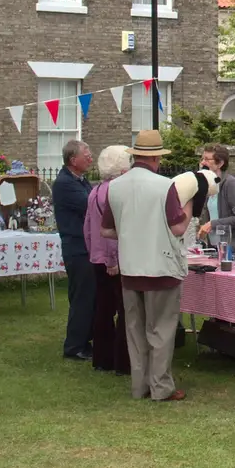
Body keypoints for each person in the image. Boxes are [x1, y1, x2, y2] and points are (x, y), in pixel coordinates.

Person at [105, 129, 193, 401]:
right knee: (161, 330)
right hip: (160, 266)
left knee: (135, 331)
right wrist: (189, 205)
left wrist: (133, 230)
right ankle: (161, 387)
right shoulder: (164, 186)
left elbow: (107, 230)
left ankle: (140, 385)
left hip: (130, 268)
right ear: (156, 158)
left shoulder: (115, 186)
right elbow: (178, 227)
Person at [87, 145, 133, 375]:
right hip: (112, 260)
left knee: (103, 309)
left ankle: (102, 358)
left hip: (97, 257)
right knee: (124, 310)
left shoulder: (95, 191)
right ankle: (122, 362)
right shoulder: (114, 191)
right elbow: (112, 230)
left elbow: (88, 228)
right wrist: (112, 260)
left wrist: (95, 255)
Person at [52, 139, 95, 361]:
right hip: (77, 248)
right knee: (82, 297)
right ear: (72, 159)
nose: (90, 157)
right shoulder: (65, 183)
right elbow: (91, 204)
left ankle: (86, 340)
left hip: (85, 246)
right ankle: (75, 346)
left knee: (88, 296)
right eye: (86, 154)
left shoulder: (80, 180)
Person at [197, 143, 235, 246]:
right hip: (215, 248)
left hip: (233, 251)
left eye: (207, 159)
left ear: (220, 163)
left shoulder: (230, 184)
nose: (202, 162)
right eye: (202, 159)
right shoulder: (209, 184)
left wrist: (212, 224)